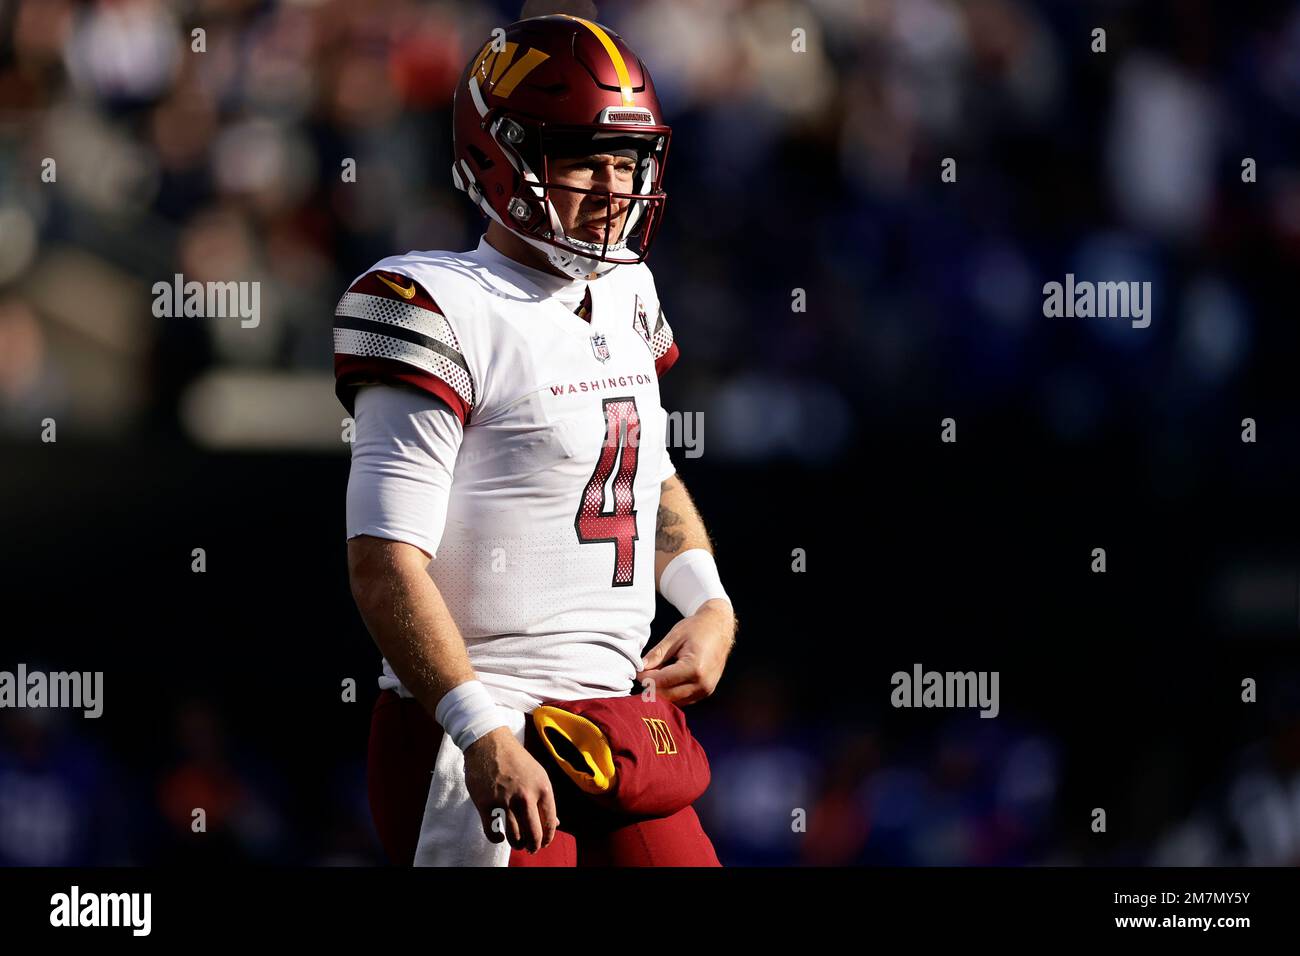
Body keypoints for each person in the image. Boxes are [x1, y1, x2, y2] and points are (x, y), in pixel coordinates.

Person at [334, 14, 736, 867]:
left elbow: (644, 474)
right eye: (587, 155)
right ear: (502, 156)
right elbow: (382, 559)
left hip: (619, 726)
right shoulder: (429, 301)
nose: (614, 185)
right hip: (482, 725)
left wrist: (708, 601)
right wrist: (478, 729)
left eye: (628, 159)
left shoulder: (629, 288)